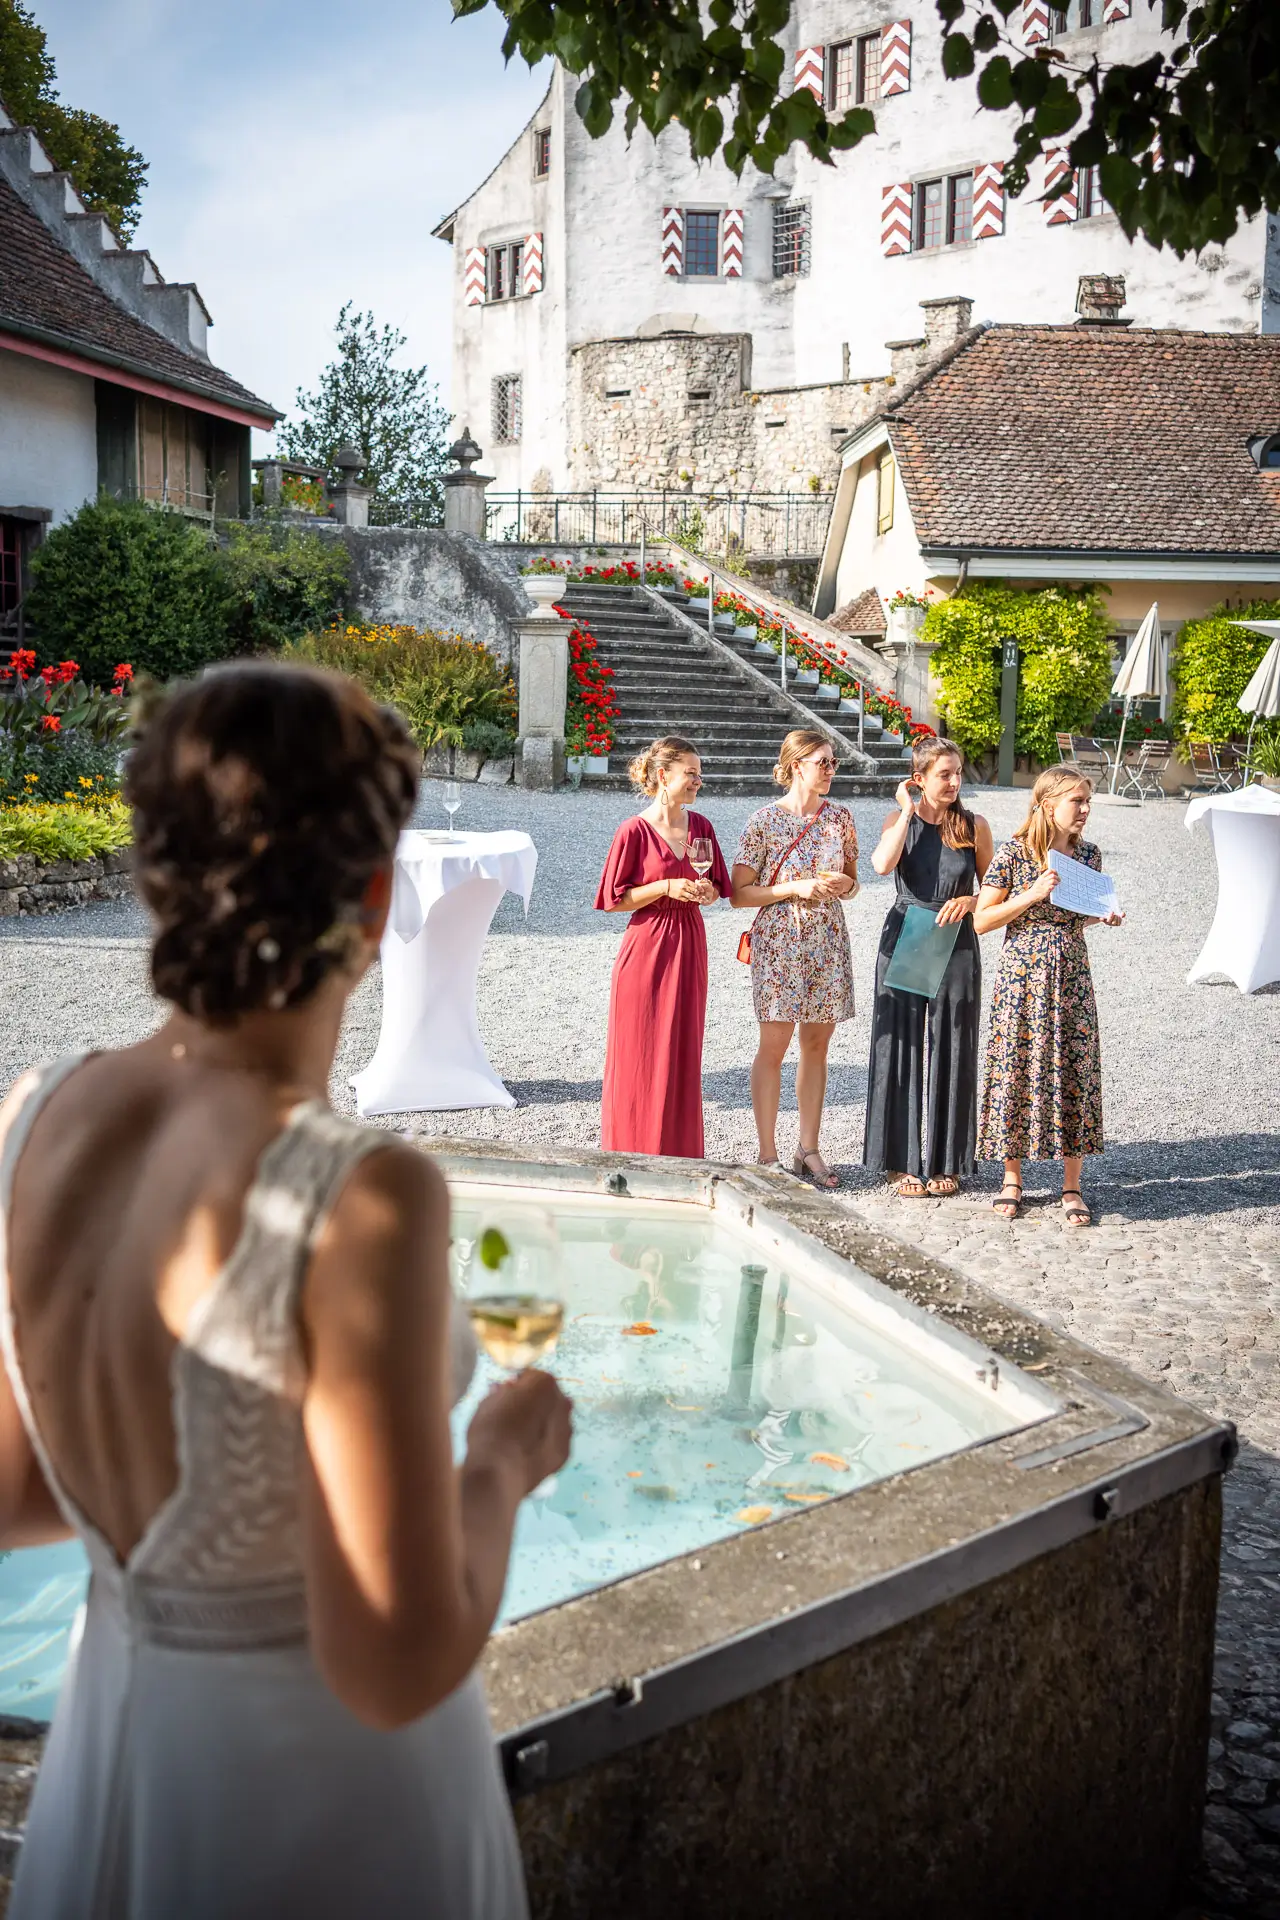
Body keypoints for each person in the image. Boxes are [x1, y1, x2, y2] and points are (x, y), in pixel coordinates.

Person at [0, 663, 572, 1920]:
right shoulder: (359, 1195)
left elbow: (19, 1489)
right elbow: (392, 1659)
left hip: (116, 1765)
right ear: (378, 899)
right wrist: (498, 1463)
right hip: (317, 1819)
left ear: (154, 871)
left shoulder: (34, 1118)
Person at [973, 765, 1124, 1227]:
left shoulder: (1090, 855)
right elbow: (982, 920)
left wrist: (1105, 916)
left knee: (1073, 1064)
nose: (1084, 809)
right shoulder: (1015, 855)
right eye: (1076, 800)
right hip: (1022, 974)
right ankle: (1012, 1178)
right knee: (1017, 1066)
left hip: (1071, 971)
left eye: (1087, 801)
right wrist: (1033, 894)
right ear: (1046, 804)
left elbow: (1078, 915)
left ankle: (1071, 1184)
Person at [863, 738, 994, 1198]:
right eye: (944, 773)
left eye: (958, 772)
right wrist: (904, 810)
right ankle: (898, 1163)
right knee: (899, 1044)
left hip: (956, 939)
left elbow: (997, 892)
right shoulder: (898, 821)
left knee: (953, 1044)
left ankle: (947, 1160)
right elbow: (880, 865)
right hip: (906, 933)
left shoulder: (975, 825)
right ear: (918, 779)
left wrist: (972, 899)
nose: (955, 781)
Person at [731, 730, 860, 1188]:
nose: (830, 770)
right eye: (822, 762)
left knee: (817, 1046)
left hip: (826, 938)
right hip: (781, 940)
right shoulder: (764, 821)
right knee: (774, 1046)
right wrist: (794, 887)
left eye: (833, 763)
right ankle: (768, 1156)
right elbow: (739, 895)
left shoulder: (840, 817)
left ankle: (808, 1148)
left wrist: (844, 886)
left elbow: (853, 879)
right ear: (796, 765)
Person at [595, 736, 732, 1157]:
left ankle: (680, 1155)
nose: (698, 781)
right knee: (639, 1051)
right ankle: (631, 1152)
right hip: (647, 946)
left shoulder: (702, 827)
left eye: (699, 773)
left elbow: (718, 888)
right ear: (662, 776)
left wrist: (705, 892)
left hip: (689, 942)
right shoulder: (633, 831)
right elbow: (613, 901)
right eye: (690, 773)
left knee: (682, 1051)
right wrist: (665, 886)